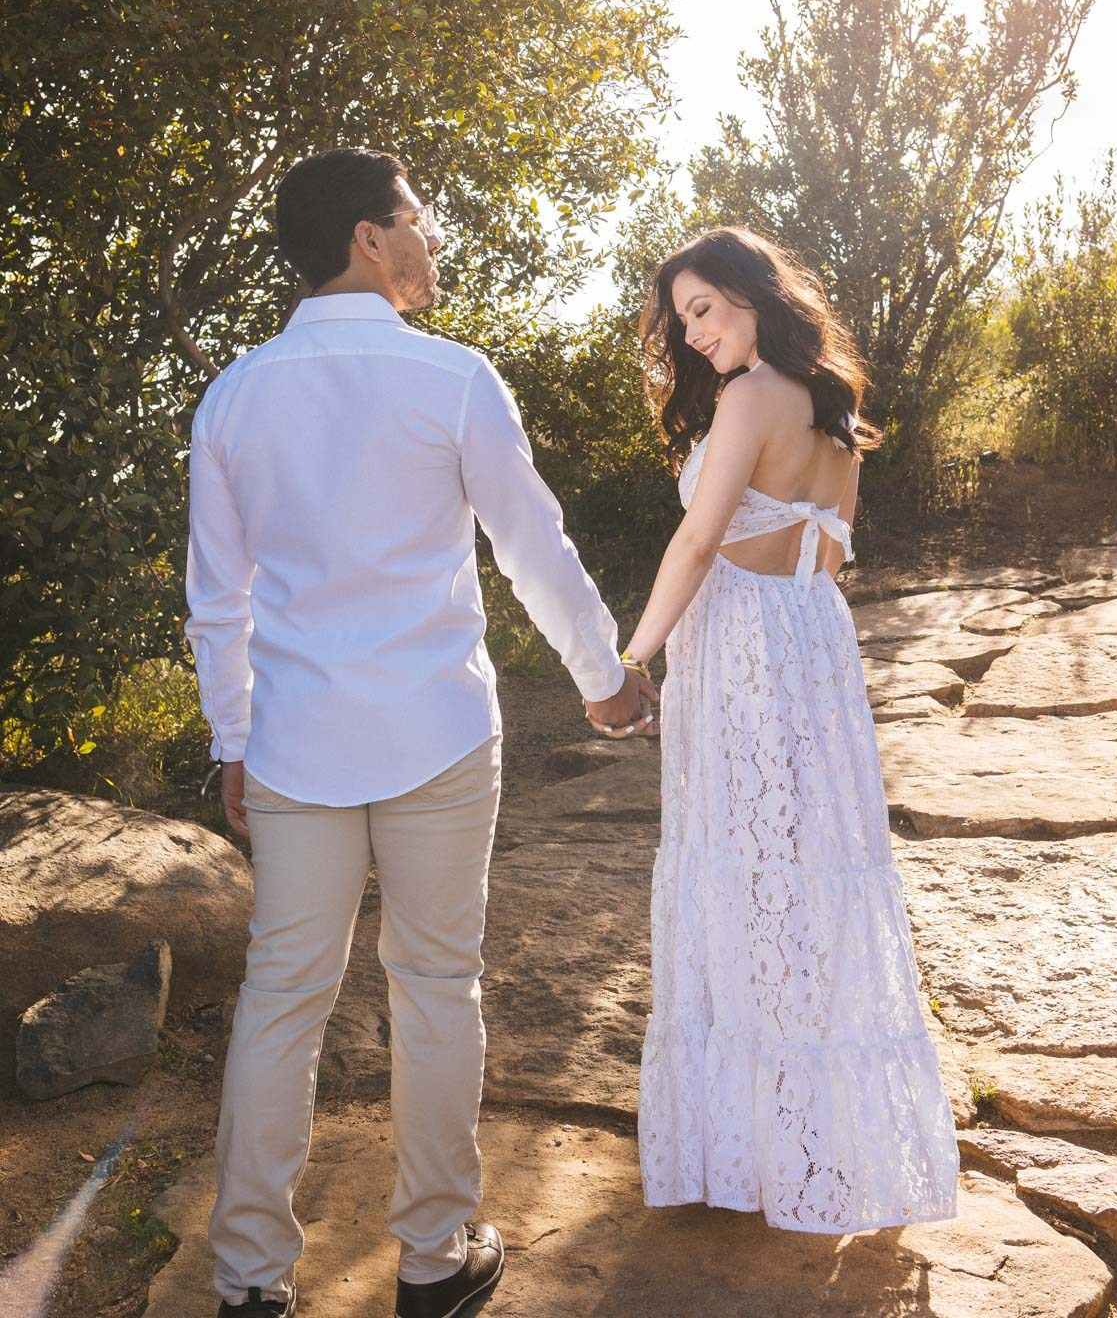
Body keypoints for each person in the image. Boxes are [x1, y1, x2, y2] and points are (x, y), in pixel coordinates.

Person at [185, 148, 654, 1318]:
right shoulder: (453, 379)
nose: (433, 240)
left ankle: (248, 1279)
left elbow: (216, 597)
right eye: (419, 222)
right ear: (367, 238)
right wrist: (604, 677)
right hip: (440, 732)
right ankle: (437, 1259)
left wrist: (230, 739)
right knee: (438, 983)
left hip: (293, 743)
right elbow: (530, 546)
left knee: (282, 994)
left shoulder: (235, 393)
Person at [612, 227, 960, 1232]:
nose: (695, 333)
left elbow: (698, 537)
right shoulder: (832, 399)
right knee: (811, 879)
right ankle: (821, 1139)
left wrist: (632, 658)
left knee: (752, 872)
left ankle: (769, 1148)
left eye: (705, 309)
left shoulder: (752, 395)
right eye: (683, 321)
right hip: (811, 638)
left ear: (753, 294)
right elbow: (829, 551)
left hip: (745, 652)